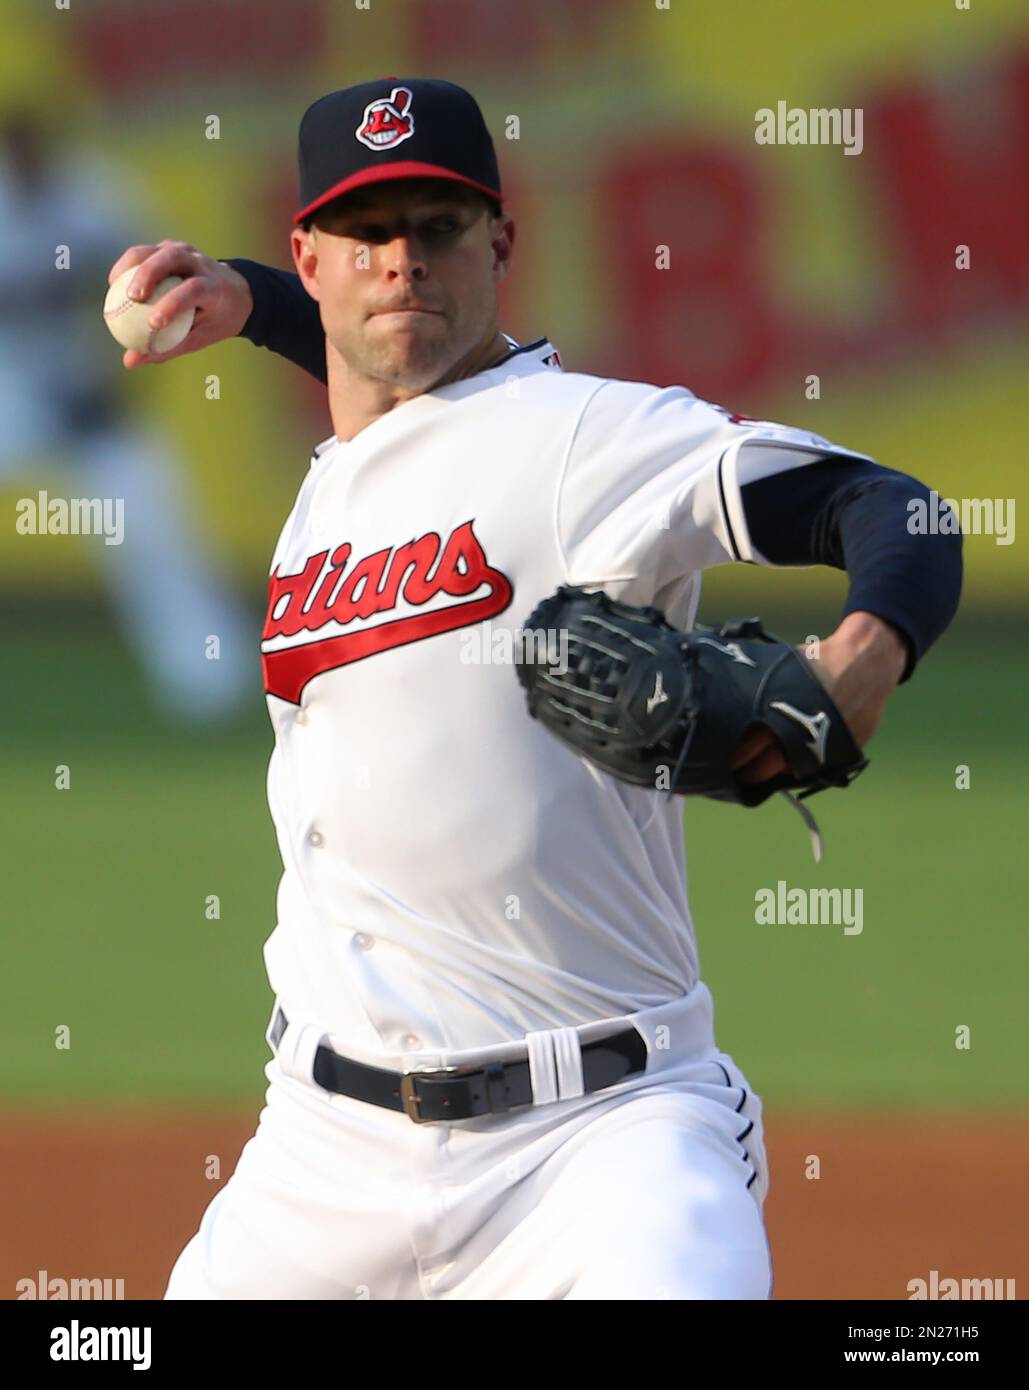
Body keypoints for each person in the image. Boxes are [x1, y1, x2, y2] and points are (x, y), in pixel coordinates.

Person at [110, 78, 961, 1300]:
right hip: (320, 1151)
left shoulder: (594, 440)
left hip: (600, 1143)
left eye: (439, 228)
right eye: (366, 233)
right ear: (310, 253)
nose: (402, 262)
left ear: (501, 240)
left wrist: (860, 658)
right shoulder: (349, 459)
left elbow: (897, 508)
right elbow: (378, 357)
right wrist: (247, 301)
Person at [0, 109, 251, 724]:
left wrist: (119, 382)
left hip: (84, 393)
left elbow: (161, 291)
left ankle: (210, 683)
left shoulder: (93, 192)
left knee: (150, 520)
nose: (23, 155)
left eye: (32, 142)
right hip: (9, 390)